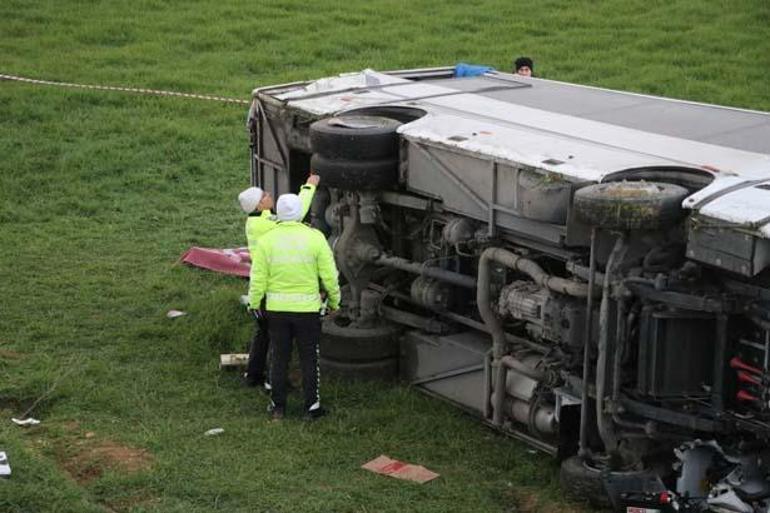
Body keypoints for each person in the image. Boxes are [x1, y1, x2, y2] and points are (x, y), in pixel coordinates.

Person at [249, 193, 341, 421]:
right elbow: (329, 275)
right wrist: (334, 301)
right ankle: (311, 408)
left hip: (277, 310)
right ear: (300, 213)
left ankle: (278, 407)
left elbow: (258, 277)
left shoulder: (267, 240)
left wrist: (254, 304)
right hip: (308, 310)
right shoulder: (315, 237)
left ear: (279, 212)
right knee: (309, 358)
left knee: (280, 358)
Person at [237, 173, 320, 390]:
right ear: (259, 204)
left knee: (263, 332)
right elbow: (296, 213)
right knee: (276, 337)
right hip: (269, 286)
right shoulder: (264, 224)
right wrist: (309, 186)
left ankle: (253, 374)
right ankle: (273, 383)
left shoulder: (256, 221)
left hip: (261, 286)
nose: (269, 195)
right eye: (264, 195)